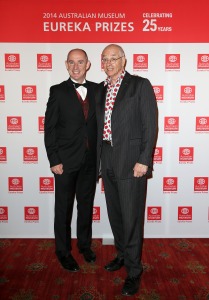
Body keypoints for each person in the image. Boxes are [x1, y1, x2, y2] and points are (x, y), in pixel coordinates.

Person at [95, 44, 158, 296]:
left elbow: (150, 125)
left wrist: (144, 159)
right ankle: (122, 254)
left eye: (114, 58)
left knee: (131, 217)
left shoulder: (140, 85)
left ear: (124, 60)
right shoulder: (100, 89)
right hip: (107, 157)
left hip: (132, 161)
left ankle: (134, 270)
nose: (109, 63)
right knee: (116, 214)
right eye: (105, 59)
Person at [44, 48, 97, 272]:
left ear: (88, 64)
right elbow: (50, 129)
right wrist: (54, 159)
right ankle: (63, 252)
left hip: (90, 161)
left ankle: (84, 245)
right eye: (72, 62)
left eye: (80, 62)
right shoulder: (57, 91)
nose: (76, 66)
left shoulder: (98, 89)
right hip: (65, 162)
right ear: (66, 65)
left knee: (85, 207)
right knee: (63, 209)